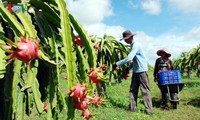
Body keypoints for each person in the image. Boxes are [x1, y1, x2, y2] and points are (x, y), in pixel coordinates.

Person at [113, 30, 153, 115]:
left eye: (126, 39)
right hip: (136, 71)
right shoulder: (132, 46)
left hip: (142, 71)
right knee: (133, 90)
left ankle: (149, 110)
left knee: (145, 90)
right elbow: (135, 60)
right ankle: (132, 107)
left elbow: (129, 58)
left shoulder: (136, 45)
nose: (125, 40)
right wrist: (128, 68)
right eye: (124, 39)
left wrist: (117, 64)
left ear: (131, 37)